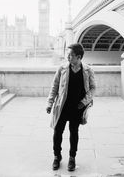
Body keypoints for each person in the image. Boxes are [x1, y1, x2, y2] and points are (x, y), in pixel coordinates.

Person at [46, 43, 96, 171]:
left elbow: (93, 88)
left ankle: (72, 157)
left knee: (74, 133)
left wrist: (84, 102)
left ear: (79, 57)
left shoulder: (88, 70)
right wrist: (50, 103)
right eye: (67, 54)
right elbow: (54, 86)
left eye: (70, 55)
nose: (67, 57)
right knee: (57, 133)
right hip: (62, 107)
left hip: (77, 108)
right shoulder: (62, 68)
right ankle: (57, 156)